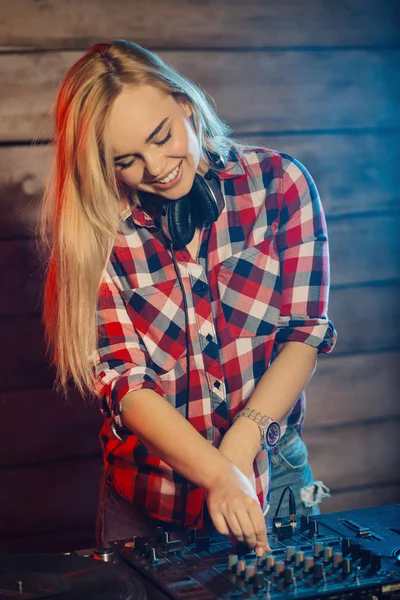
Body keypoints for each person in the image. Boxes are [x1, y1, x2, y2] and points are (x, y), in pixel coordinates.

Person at [39, 39, 337, 557]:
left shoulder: (280, 186)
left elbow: (305, 332)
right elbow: (127, 385)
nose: (156, 168)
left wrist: (239, 450)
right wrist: (217, 474)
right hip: (149, 497)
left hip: (275, 472)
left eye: (162, 137)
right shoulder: (95, 234)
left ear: (185, 103)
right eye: (127, 160)